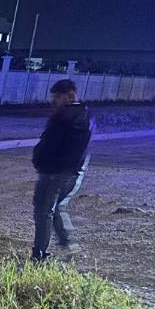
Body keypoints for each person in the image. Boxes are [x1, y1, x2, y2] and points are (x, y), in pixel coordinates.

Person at [30, 78, 93, 263]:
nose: (53, 101)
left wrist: (40, 158)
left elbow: (52, 144)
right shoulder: (82, 116)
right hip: (66, 172)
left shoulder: (66, 117)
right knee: (55, 208)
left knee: (43, 211)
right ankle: (69, 246)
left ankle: (39, 254)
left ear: (70, 96)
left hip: (55, 172)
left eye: (57, 97)